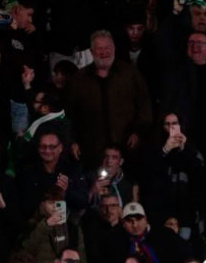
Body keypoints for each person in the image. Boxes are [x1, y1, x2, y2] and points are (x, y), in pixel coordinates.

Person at [65, 30, 152, 167]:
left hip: (127, 148)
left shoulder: (130, 74)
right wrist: (73, 141)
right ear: (92, 51)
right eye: (99, 48)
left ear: (114, 48)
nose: (104, 52)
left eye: (107, 47)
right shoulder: (79, 79)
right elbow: (70, 114)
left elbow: (144, 106)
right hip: (91, 150)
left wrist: (138, 132)